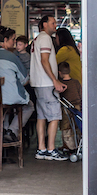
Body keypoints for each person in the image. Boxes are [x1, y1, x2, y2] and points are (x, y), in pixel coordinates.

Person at [30, 15, 68, 161]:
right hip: (46, 83)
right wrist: (54, 80)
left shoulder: (37, 39)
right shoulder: (45, 38)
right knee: (54, 116)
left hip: (38, 83)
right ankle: (51, 149)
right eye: (52, 23)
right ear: (44, 24)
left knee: (41, 116)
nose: (55, 25)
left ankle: (41, 149)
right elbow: (44, 60)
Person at [0, 27, 31, 141]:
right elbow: (24, 80)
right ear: (4, 41)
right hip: (10, 98)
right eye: (13, 39)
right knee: (29, 106)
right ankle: (11, 130)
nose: (14, 42)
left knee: (4, 109)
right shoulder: (11, 57)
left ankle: (4, 130)